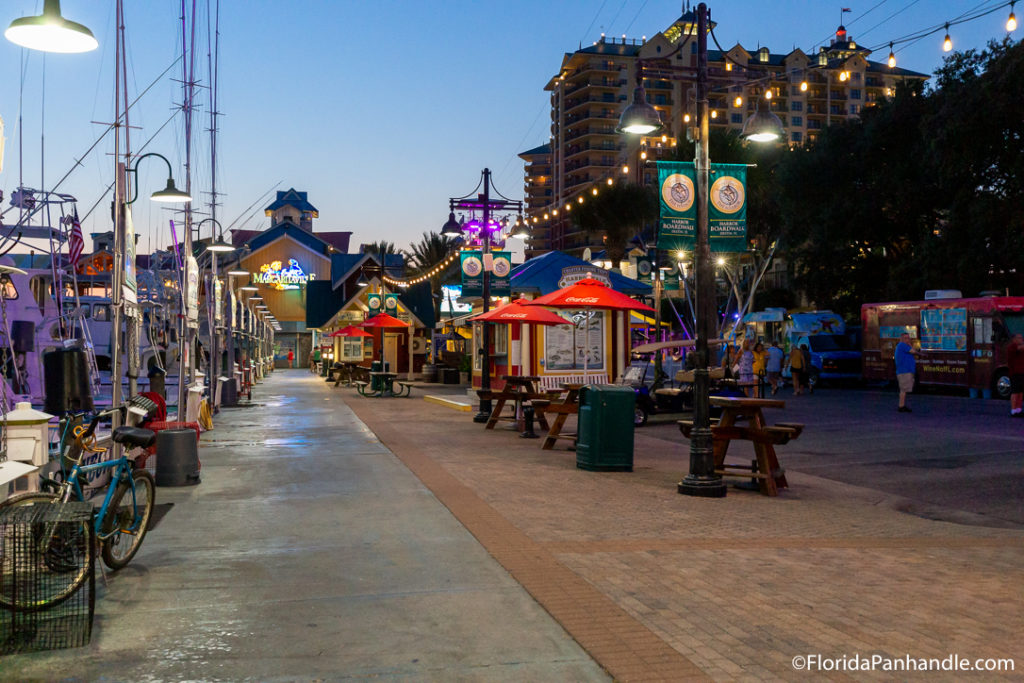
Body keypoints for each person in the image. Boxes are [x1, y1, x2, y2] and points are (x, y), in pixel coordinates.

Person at [894, 332, 917, 413]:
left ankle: (902, 405)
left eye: (908, 338)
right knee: (903, 390)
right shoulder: (902, 345)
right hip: (904, 371)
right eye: (906, 338)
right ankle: (901, 406)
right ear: (902, 339)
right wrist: (910, 344)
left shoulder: (902, 346)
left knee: (904, 389)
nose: (908, 339)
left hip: (905, 371)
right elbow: (913, 351)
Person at [1007, 333, 1024, 416]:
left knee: (1020, 392)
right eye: (1019, 338)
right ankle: (1013, 410)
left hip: (1022, 372)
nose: (1021, 339)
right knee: (1015, 392)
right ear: (1014, 339)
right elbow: (1019, 349)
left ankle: (1018, 409)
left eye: (1021, 338)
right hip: (1015, 373)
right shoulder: (1012, 347)